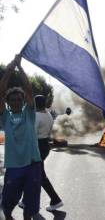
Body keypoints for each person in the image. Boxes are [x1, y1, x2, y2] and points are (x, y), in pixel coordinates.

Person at [0, 55, 42, 220]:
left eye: (19, 98)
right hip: (14, 167)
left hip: (33, 164)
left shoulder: (28, 114)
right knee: (7, 207)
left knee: (29, 209)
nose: (16, 101)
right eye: (13, 99)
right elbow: (0, 91)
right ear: (8, 102)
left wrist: (20, 67)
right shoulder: (5, 117)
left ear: (23, 100)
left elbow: (29, 89)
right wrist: (10, 70)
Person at [19, 95, 63, 211]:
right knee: (35, 174)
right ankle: (27, 201)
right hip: (44, 145)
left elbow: (31, 135)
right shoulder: (48, 114)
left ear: (35, 103)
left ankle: (53, 200)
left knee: (36, 175)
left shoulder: (36, 116)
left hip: (36, 146)